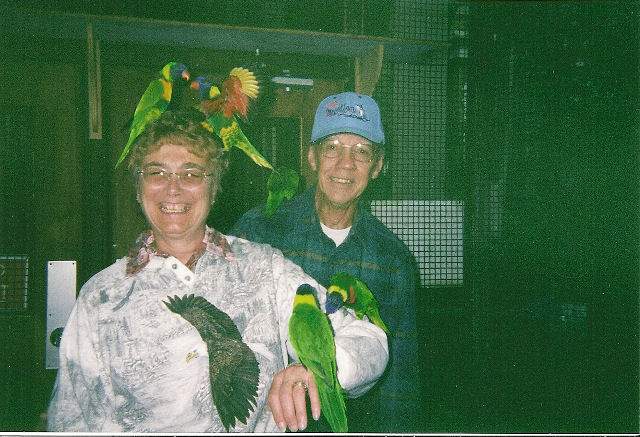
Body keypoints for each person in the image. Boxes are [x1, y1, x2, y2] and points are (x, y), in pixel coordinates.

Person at [46, 109, 388, 433]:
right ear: (139, 188)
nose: (173, 187)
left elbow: (369, 340)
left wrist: (317, 371)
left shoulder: (264, 269)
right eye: (157, 172)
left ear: (214, 187)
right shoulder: (101, 296)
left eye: (192, 173)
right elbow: (70, 418)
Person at [231, 92, 421, 432]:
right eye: (332, 147)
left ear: (377, 167)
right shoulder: (259, 231)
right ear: (312, 157)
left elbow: (401, 378)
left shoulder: (392, 259)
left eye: (361, 152)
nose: (345, 164)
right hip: (263, 421)